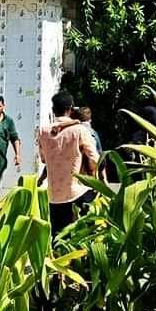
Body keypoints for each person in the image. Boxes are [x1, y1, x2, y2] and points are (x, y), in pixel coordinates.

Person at [37, 91, 99, 233]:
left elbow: (43, 159)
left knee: (59, 240)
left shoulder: (43, 131)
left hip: (55, 195)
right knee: (84, 237)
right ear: (71, 109)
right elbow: (95, 158)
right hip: (78, 192)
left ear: (53, 110)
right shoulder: (79, 130)